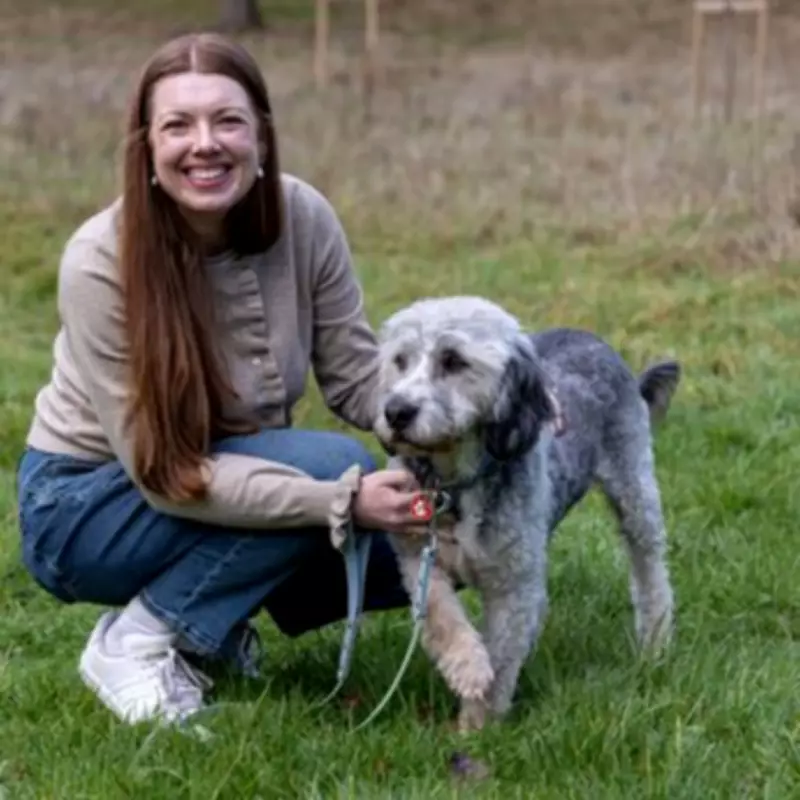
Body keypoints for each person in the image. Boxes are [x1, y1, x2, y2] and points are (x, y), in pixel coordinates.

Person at [15, 31, 425, 728]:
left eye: (228, 120)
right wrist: (337, 500)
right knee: (335, 471)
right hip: (85, 506)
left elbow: (359, 379)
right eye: (178, 125)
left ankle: (212, 623)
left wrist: (469, 416)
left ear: (261, 136)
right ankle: (137, 640)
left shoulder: (305, 217)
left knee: (408, 542)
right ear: (146, 148)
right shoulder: (98, 261)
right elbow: (164, 470)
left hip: (217, 469)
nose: (205, 143)